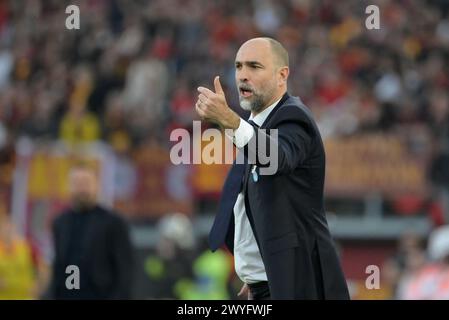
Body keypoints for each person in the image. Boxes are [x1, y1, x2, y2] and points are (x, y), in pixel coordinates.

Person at [195, 37, 349, 299]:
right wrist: (255, 271)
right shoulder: (255, 127)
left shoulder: (293, 117)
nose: (243, 75)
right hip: (268, 284)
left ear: (282, 75)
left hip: (299, 284)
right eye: (239, 66)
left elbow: (274, 159)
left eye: (254, 66)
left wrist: (230, 121)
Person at [44, 164, 133, 299]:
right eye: (77, 183)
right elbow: (59, 266)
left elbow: (125, 270)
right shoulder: (60, 223)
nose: (81, 189)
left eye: (86, 183)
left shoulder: (114, 222)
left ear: (96, 186)